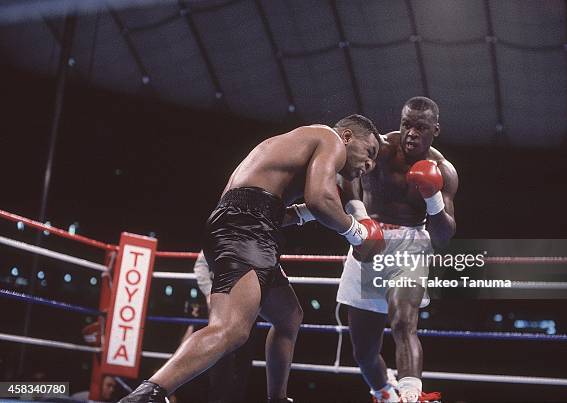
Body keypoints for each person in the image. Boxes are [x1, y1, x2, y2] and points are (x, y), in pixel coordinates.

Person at [120, 115, 383, 402]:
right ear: (347, 136)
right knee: (231, 329)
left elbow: (275, 209)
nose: (369, 165)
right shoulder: (329, 139)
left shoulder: (298, 146)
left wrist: (307, 213)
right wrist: (357, 233)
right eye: (369, 152)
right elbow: (321, 199)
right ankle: (147, 395)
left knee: (288, 316)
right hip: (245, 227)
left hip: (248, 224)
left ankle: (277, 398)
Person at [336, 97, 458, 402]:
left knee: (404, 323)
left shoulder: (444, 171)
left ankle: (411, 395)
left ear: (435, 130)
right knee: (363, 352)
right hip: (368, 238)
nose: (411, 133)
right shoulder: (380, 149)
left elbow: (443, 236)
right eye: (407, 125)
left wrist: (432, 197)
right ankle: (384, 391)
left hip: (412, 245)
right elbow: (345, 175)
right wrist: (360, 217)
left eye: (421, 127)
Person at [177, 252, 255, 403]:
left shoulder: (260, 236)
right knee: (219, 361)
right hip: (221, 306)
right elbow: (200, 265)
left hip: (248, 307)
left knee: (242, 364)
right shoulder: (222, 231)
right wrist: (209, 293)